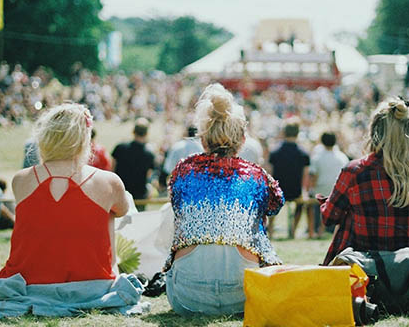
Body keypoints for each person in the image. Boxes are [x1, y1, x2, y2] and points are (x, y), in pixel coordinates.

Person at [0, 103, 145, 317]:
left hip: (31, 284)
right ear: (84, 140)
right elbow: (123, 209)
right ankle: (107, 272)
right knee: (110, 210)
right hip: (94, 286)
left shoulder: (21, 180)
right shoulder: (108, 181)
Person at [166, 83, 285, 316]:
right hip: (244, 294)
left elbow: (177, 207)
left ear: (202, 138)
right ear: (242, 139)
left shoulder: (183, 170)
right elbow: (275, 204)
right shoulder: (256, 175)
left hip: (187, 295)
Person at [320, 98, 409, 265]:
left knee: (350, 215)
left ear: (373, 132)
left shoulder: (356, 171)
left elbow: (328, 218)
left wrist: (326, 202)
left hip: (367, 270)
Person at [268, 117, 310, 239]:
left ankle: (270, 229)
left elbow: (270, 173)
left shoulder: (275, 151)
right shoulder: (303, 153)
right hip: (295, 191)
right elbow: (305, 175)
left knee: (273, 203)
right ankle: (293, 230)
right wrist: (304, 191)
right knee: (300, 205)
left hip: (278, 191)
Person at [308, 132, 349, 237]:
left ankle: (313, 231)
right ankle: (323, 230)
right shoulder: (342, 157)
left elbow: (313, 176)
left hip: (320, 190)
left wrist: (310, 189)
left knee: (311, 203)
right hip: (337, 191)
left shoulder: (317, 157)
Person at [112, 118, 155, 211]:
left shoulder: (120, 148)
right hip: (139, 196)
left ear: (133, 131)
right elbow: (149, 174)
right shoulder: (149, 154)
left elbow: (112, 169)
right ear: (147, 133)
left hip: (120, 193)